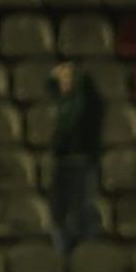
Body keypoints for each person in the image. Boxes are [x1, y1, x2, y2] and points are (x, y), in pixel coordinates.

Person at [48, 62, 103, 257]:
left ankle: (85, 256)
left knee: (81, 211)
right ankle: (63, 255)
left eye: (68, 78)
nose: (63, 82)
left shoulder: (84, 104)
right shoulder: (62, 105)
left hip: (82, 163)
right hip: (62, 164)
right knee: (60, 213)